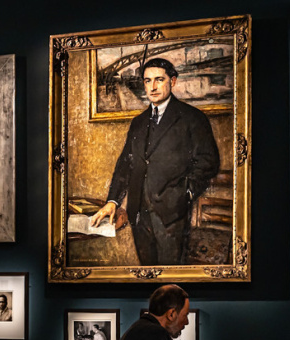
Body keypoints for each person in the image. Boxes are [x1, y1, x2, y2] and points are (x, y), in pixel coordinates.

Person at [90, 58, 220, 265]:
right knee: (147, 275)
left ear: (173, 81)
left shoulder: (192, 118)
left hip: (172, 214)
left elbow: (208, 162)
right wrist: (112, 201)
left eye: (159, 80)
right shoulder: (139, 122)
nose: (153, 86)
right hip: (139, 214)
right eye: (148, 81)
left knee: (170, 278)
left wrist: (185, 192)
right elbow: (125, 164)